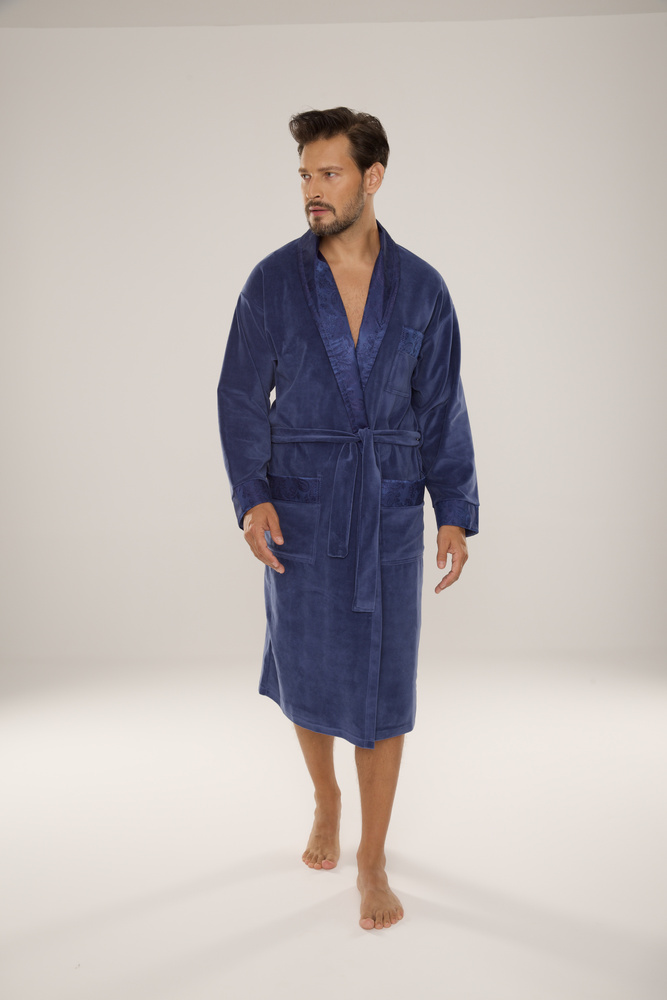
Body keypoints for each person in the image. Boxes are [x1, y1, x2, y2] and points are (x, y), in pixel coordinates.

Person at [217, 107, 479, 930]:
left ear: (372, 177)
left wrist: (453, 510)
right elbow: (238, 395)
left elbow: (441, 406)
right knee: (305, 665)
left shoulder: (423, 287)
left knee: (385, 681)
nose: (312, 190)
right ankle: (325, 797)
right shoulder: (272, 281)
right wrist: (252, 494)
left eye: (328, 174)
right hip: (300, 503)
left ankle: (372, 859)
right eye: (304, 175)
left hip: (387, 505)